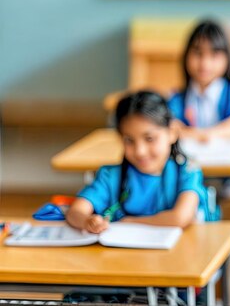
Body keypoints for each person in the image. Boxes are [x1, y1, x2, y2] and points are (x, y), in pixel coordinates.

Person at [66, 91, 218, 233]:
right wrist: (87, 221)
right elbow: (75, 211)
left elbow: (180, 217)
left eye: (149, 138)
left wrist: (128, 222)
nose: (140, 151)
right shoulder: (110, 176)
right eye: (129, 140)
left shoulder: (187, 171)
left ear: (172, 133)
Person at [168, 20, 230, 142]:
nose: (205, 63)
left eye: (214, 55)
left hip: (228, 159)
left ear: (227, 58)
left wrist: (204, 135)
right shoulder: (176, 97)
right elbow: (171, 126)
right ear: (186, 56)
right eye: (198, 53)